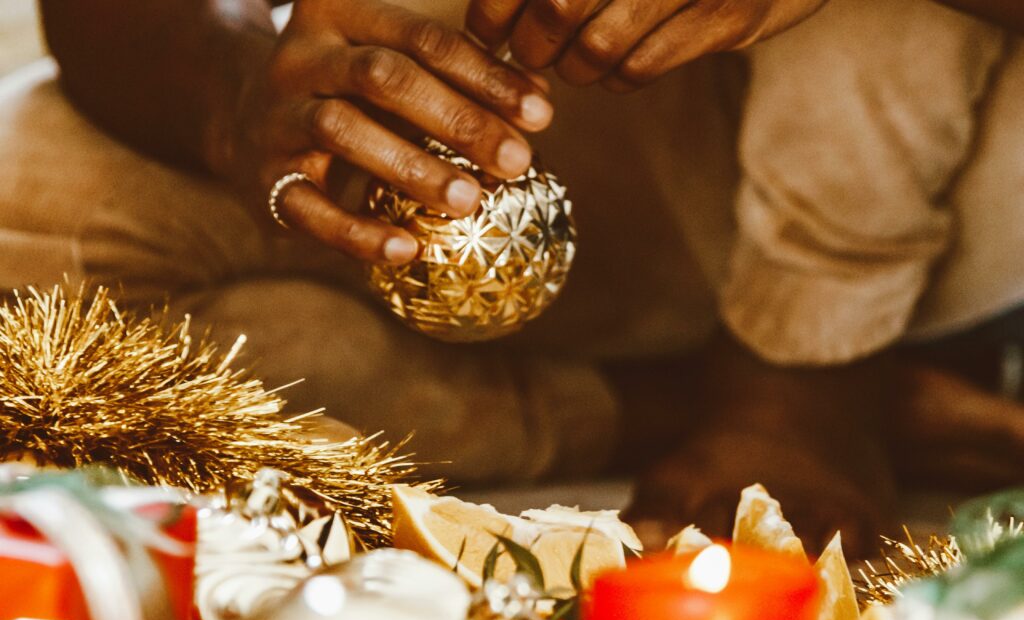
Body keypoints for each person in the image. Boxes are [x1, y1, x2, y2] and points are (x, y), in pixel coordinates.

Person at [0, 0, 1021, 554]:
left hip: (909, 129)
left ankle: (808, 380)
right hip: (546, 100)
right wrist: (240, 95)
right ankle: (654, 407)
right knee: (34, 250)